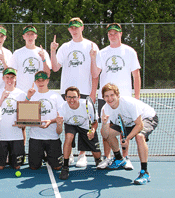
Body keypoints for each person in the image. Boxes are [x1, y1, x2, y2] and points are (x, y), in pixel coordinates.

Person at [90, 23, 141, 170]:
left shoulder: (129, 51)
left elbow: (136, 75)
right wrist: (93, 58)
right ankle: (107, 158)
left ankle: (125, 158)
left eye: (115, 33)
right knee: (107, 128)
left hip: (124, 99)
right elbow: (95, 74)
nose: (112, 35)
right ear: (108, 35)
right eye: (110, 33)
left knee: (125, 129)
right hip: (105, 99)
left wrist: (136, 97)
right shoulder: (102, 52)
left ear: (121, 34)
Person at [51, 17, 100, 167]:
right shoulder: (65, 47)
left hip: (85, 92)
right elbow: (55, 68)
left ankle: (82, 155)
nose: (74, 29)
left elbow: (95, 73)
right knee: (69, 124)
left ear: (82, 28)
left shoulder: (91, 46)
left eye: (77, 27)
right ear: (69, 29)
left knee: (85, 124)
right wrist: (52, 51)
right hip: (66, 93)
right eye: (71, 27)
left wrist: (92, 92)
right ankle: (69, 153)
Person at [100, 83, 158, 185]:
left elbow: (139, 125)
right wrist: (104, 124)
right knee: (109, 133)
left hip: (146, 118)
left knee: (139, 137)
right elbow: (105, 135)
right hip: (128, 122)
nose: (109, 98)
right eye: (106, 96)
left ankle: (145, 172)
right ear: (103, 98)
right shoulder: (105, 109)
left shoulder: (129, 103)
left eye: (112, 95)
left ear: (117, 95)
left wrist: (127, 139)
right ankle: (119, 159)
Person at [56, 86, 101, 180]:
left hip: (85, 126)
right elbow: (58, 131)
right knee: (68, 137)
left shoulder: (87, 104)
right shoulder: (62, 107)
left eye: (74, 97)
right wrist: (59, 125)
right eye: (69, 97)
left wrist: (92, 131)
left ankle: (98, 160)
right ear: (65, 98)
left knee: (97, 154)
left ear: (79, 97)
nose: (71, 100)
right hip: (70, 125)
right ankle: (65, 166)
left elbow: (95, 121)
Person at [26, 71, 64, 170]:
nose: (41, 82)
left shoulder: (56, 96)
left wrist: (50, 121)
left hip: (52, 137)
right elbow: (24, 115)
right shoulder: (31, 96)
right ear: (35, 82)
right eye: (38, 80)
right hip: (35, 137)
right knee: (34, 167)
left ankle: (49, 156)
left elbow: (62, 116)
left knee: (57, 167)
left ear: (47, 81)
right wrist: (28, 97)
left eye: (43, 80)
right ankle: (41, 156)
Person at [0, 68, 26, 170]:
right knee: (0, 167)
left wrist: (23, 123)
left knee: (17, 166)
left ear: (15, 78)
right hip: (1, 136)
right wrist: (2, 99)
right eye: (7, 77)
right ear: (3, 78)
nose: (9, 80)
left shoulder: (22, 94)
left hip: (16, 136)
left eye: (12, 77)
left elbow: (26, 114)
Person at [9, 25, 51, 93]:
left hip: (38, 92)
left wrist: (43, 59)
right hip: (21, 92)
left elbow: (47, 74)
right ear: (24, 36)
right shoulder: (17, 53)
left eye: (32, 34)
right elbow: (12, 75)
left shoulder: (43, 52)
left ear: (36, 36)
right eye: (27, 34)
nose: (30, 36)